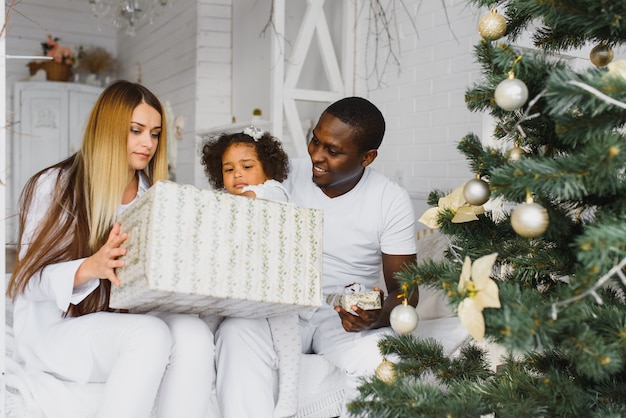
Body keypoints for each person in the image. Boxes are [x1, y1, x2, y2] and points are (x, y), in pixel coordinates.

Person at [7, 80, 215, 418]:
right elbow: (26, 283)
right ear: (109, 128)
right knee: (149, 336)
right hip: (58, 332)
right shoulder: (55, 185)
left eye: (155, 133)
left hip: (121, 320)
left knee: (194, 333)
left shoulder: (154, 197)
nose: (147, 143)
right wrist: (89, 267)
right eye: (136, 130)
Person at [214, 96, 418, 417]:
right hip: (279, 307)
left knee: (386, 358)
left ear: (367, 157)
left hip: (339, 318)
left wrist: (374, 316)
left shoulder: (390, 199)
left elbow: (406, 292)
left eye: (333, 151)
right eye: (315, 140)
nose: (316, 156)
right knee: (234, 332)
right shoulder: (283, 173)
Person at [200, 126, 301, 418]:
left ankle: (289, 393)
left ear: (267, 168)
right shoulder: (225, 197)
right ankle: (205, 378)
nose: (237, 175)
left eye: (247, 166)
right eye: (228, 169)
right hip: (236, 281)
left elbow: (261, 204)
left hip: (275, 281)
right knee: (206, 320)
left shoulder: (272, 190)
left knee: (285, 321)